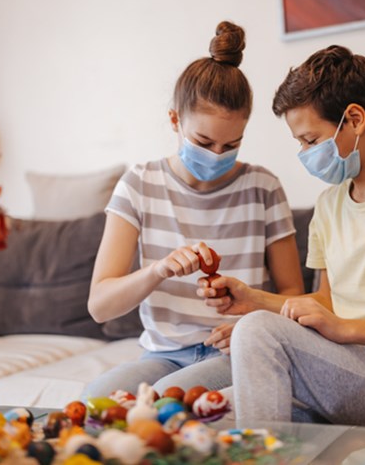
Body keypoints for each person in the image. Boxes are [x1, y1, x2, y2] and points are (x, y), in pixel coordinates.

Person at [198, 45, 365, 427]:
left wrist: (344, 330)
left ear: (355, 119)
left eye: (311, 140)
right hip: (344, 366)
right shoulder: (328, 205)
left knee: (257, 334)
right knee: (209, 412)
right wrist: (253, 300)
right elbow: (327, 300)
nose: (305, 153)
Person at [83, 21, 303, 398]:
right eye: (204, 141)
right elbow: (100, 306)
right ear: (175, 120)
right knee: (93, 402)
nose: (217, 155)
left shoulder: (263, 188)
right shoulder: (139, 185)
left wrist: (255, 326)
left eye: (231, 144)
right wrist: (158, 270)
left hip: (237, 351)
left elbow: (293, 295)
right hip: (163, 355)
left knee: (163, 402)